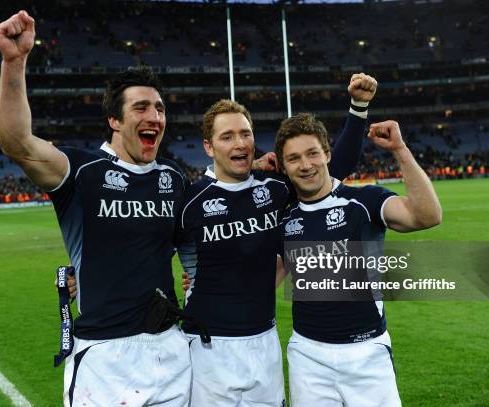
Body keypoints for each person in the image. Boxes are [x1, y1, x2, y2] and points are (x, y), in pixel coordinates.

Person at [0, 10, 192, 406]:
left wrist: (252, 165)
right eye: (140, 108)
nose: (154, 116)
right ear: (114, 120)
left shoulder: (173, 179)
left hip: (172, 350)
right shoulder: (81, 171)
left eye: (159, 108)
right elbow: (17, 142)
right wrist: (14, 63)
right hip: (105, 359)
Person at [175, 73, 377, 407]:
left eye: (246, 134)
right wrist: (83, 275)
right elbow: (145, 248)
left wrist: (358, 108)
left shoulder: (277, 190)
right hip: (208, 347)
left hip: (265, 341)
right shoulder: (191, 202)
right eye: (227, 137)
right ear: (209, 147)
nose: (240, 143)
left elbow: (334, 164)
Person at [275, 114, 442, 407]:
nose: (305, 165)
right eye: (294, 158)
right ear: (285, 167)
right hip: (307, 356)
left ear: (327, 154)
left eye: (313, 153)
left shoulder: (364, 202)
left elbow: (427, 216)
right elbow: (264, 281)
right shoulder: (285, 218)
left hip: (367, 353)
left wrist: (400, 150)